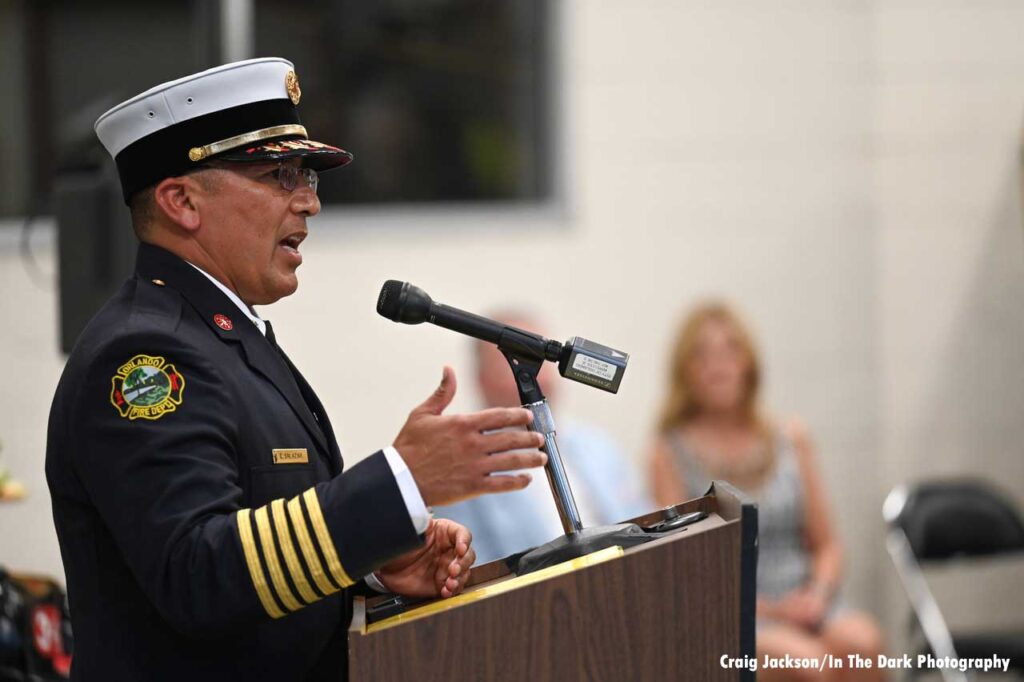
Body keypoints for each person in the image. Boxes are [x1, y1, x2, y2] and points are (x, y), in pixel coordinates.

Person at [45, 58, 549, 681]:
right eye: (279, 175)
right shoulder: (144, 357)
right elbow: (197, 575)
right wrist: (400, 484)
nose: (309, 201)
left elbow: (258, 548)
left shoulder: (220, 333)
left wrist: (367, 562)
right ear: (182, 201)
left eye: (306, 175)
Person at [647, 302, 883, 682]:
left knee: (863, 646)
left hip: (806, 597)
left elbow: (828, 545)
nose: (718, 366)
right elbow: (685, 568)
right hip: (733, 606)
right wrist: (772, 611)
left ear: (749, 363)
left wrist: (818, 595)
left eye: (730, 351)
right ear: (684, 371)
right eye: (702, 355)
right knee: (807, 666)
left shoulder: (790, 438)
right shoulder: (669, 452)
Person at [435, 312, 652, 564]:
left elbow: (645, 520)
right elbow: (471, 564)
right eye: (511, 360)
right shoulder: (462, 463)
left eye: (539, 359)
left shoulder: (596, 443)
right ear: (482, 380)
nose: (539, 372)